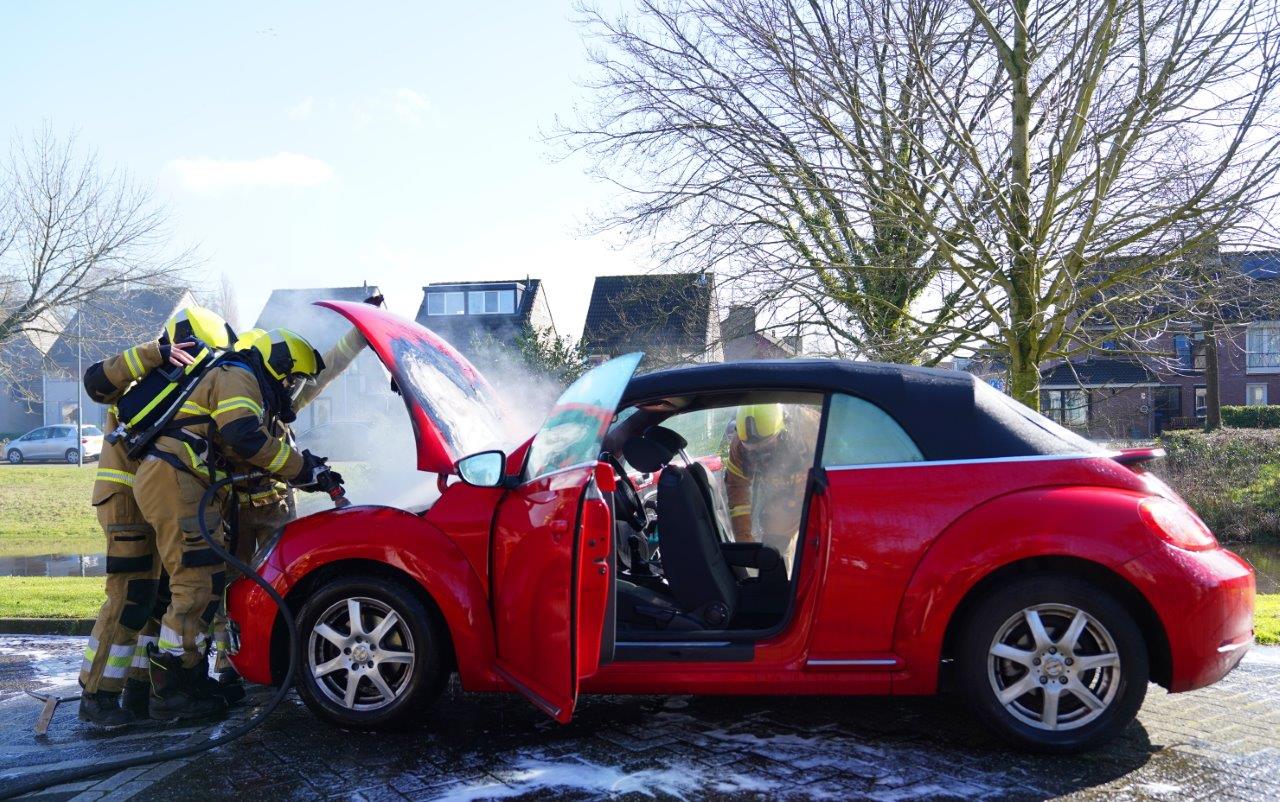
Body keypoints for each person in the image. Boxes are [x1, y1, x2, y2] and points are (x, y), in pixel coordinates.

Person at [132, 327, 340, 721]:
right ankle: (171, 691)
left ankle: (190, 679)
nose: (291, 389)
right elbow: (244, 438)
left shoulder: (243, 381)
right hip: (176, 481)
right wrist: (301, 468)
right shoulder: (238, 376)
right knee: (193, 585)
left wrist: (306, 470)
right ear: (278, 365)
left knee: (207, 582)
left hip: (186, 483)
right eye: (291, 379)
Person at [76, 306, 235, 728]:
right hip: (125, 499)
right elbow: (95, 381)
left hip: (159, 500)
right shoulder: (146, 376)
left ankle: (140, 690)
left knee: (161, 598)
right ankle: (96, 697)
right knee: (131, 597)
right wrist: (154, 354)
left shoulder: (188, 387)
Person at [210, 312, 374, 684]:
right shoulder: (233, 403)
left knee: (284, 581)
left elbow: (324, 371)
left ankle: (280, 652)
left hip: (276, 509)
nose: (290, 387)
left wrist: (358, 335)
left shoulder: (280, 401)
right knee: (231, 586)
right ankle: (229, 662)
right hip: (235, 512)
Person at [724, 403, 821, 574]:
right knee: (772, 561)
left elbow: (837, 457)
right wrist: (744, 542)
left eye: (766, 447)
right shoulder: (739, 446)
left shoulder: (809, 426)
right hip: (782, 506)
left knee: (819, 556)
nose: (760, 456)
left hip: (818, 498)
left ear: (783, 429)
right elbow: (737, 492)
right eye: (752, 451)